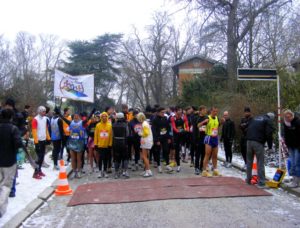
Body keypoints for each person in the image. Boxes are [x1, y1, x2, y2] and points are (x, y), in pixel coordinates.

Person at [58, 107, 95, 179]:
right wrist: (59, 113)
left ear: (79, 117)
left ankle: (79, 171)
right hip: (72, 142)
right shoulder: (70, 123)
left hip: (79, 143)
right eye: (74, 116)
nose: (76, 117)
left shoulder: (82, 122)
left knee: (79, 158)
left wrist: (92, 112)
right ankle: (74, 171)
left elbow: (88, 118)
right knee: (73, 158)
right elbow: (64, 119)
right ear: (73, 117)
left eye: (77, 116)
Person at [0, 109, 23, 218]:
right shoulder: (13, 129)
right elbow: (18, 143)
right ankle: (0, 209)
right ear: (11, 117)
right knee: (6, 186)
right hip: (9, 161)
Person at [246, 112, 275, 188]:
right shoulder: (267, 120)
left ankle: (248, 180)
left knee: (249, 161)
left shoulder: (256, 117)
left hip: (248, 141)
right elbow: (269, 134)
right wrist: (270, 146)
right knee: (260, 162)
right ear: (271, 118)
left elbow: (247, 127)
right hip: (258, 142)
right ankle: (261, 183)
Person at [32, 106, 51, 179]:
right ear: (39, 111)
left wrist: (48, 138)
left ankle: (39, 170)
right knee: (39, 158)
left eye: (45, 111)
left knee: (42, 156)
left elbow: (46, 129)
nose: (45, 113)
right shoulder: (35, 119)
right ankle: (35, 172)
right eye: (43, 111)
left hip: (43, 140)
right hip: (38, 141)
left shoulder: (45, 119)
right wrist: (36, 142)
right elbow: (34, 131)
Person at [282, 109, 300, 188]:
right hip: (290, 146)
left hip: (298, 146)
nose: (287, 119)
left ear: (292, 116)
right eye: (286, 117)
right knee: (292, 162)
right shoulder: (285, 124)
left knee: (297, 163)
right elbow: (286, 134)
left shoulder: (297, 122)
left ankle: (296, 182)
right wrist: (285, 142)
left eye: (289, 117)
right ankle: (293, 179)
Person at [152, 107, 173, 173]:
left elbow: (169, 128)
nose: (163, 113)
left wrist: (169, 137)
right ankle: (158, 165)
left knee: (166, 150)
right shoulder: (155, 120)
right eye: (162, 112)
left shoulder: (165, 118)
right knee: (157, 152)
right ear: (158, 112)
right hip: (158, 138)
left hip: (165, 137)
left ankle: (167, 165)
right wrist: (156, 140)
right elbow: (154, 130)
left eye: (164, 112)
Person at [202, 107, 221, 177]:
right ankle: (204, 171)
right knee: (207, 155)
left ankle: (215, 170)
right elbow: (199, 126)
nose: (215, 113)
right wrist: (203, 123)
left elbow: (217, 126)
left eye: (216, 111)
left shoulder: (217, 118)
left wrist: (221, 122)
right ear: (211, 111)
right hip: (209, 137)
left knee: (215, 155)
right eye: (214, 111)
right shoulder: (207, 118)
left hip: (215, 137)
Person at [170, 106, 189, 172]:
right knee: (176, 150)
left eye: (181, 110)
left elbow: (187, 125)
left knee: (184, 144)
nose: (180, 112)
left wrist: (187, 130)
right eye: (178, 110)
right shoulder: (173, 118)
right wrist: (178, 131)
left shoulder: (184, 117)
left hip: (183, 134)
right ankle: (178, 165)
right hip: (176, 135)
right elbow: (174, 127)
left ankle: (184, 152)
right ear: (176, 111)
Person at [94, 112, 113, 178]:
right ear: (101, 117)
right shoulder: (98, 125)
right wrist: (95, 144)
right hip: (100, 145)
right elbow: (96, 135)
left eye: (105, 116)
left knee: (106, 159)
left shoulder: (110, 125)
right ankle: (100, 171)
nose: (104, 117)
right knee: (100, 159)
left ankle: (105, 171)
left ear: (107, 117)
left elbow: (111, 135)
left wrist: (110, 144)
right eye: (103, 116)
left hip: (107, 145)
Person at [112, 112, 130, 179]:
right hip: (123, 142)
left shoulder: (113, 125)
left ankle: (116, 172)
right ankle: (125, 171)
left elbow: (112, 135)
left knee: (116, 158)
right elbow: (127, 134)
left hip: (116, 143)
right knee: (125, 157)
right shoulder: (125, 125)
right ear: (123, 117)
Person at [193, 105, 208, 175]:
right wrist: (204, 122)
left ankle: (201, 167)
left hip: (205, 138)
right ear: (201, 110)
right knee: (198, 154)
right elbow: (197, 126)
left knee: (204, 154)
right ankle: (196, 168)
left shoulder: (207, 117)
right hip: (198, 138)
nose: (206, 111)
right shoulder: (196, 118)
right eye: (204, 110)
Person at [137, 112, 153, 177]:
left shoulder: (144, 124)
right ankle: (147, 170)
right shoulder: (145, 123)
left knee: (144, 156)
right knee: (145, 156)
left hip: (146, 141)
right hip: (147, 141)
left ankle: (148, 171)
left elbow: (146, 133)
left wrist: (140, 133)